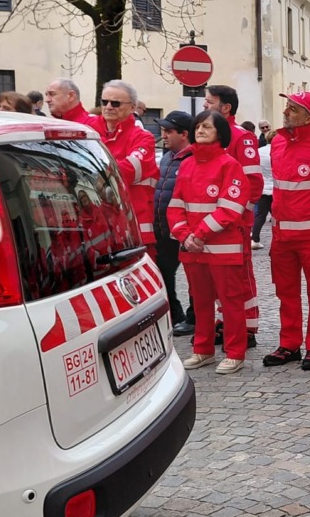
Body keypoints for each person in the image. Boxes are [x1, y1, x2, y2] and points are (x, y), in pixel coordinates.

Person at [167, 110, 249, 374]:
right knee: (200, 302)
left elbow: (229, 208)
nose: (200, 130)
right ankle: (203, 350)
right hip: (193, 248)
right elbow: (175, 205)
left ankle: (235, 352)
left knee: (230, 302)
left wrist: (198, 235)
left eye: (207, 127)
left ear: (220, 134)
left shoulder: (230, 165)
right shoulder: (187, 164)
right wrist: (184, 235)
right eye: (198, 126)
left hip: (221, 249)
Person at [262, 92, 310, 372]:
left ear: (309, 117)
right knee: (286, 292)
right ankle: (289, 344)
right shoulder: (278, 142)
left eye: (293, 109)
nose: (286, 111)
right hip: (281, 236)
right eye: (287, 107)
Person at [203, 85, 264, 344]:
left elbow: (253, 183)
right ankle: (225, 318)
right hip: (213, 223)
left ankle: (247, 325)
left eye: (210, 102)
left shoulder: (241, 137)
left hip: (234, 223)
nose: (204, 106)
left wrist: (239, 216)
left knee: (240, 274)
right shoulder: (210, 137)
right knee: (217, 276)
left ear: (226, 108)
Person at [99, 80, 160, 257]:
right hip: (101, 226)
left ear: (132, 107)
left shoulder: (143, 137)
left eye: (115, 103)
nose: (108, 107)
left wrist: (92, 172)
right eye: (104, 102)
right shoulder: (91, 131)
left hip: (135, 227)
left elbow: (127, 172)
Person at [153, 111, 196, 335]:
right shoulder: (168, 156)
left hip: (184, 229)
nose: (164, 135)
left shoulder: (193, 158)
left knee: (193, 277)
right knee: (163, 272)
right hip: (163, 227)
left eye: (169, 131)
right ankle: (175, 313)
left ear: (185, 134)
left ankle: (194, 318)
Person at [251, 139, 273, 249]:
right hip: (276, 187)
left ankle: (255, 239)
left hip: (264, 187)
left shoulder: (259, 151)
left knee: (260, 215)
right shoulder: (279, 150)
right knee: (279, 217)